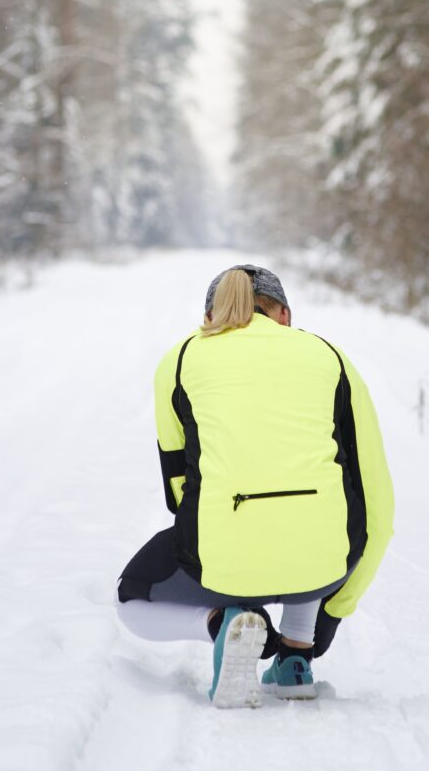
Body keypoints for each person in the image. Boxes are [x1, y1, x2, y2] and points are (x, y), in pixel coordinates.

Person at [116, 264, 394, 708]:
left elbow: (178, 489)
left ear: (210, 318)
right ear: (285, 315)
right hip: (322, 563)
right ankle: (296, 657)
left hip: (222, 555)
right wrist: (335, 612)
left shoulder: (182, 358)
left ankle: (220, 623)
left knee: (130, 597)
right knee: (316, 507)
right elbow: (377, 503)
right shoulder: (331, 357)